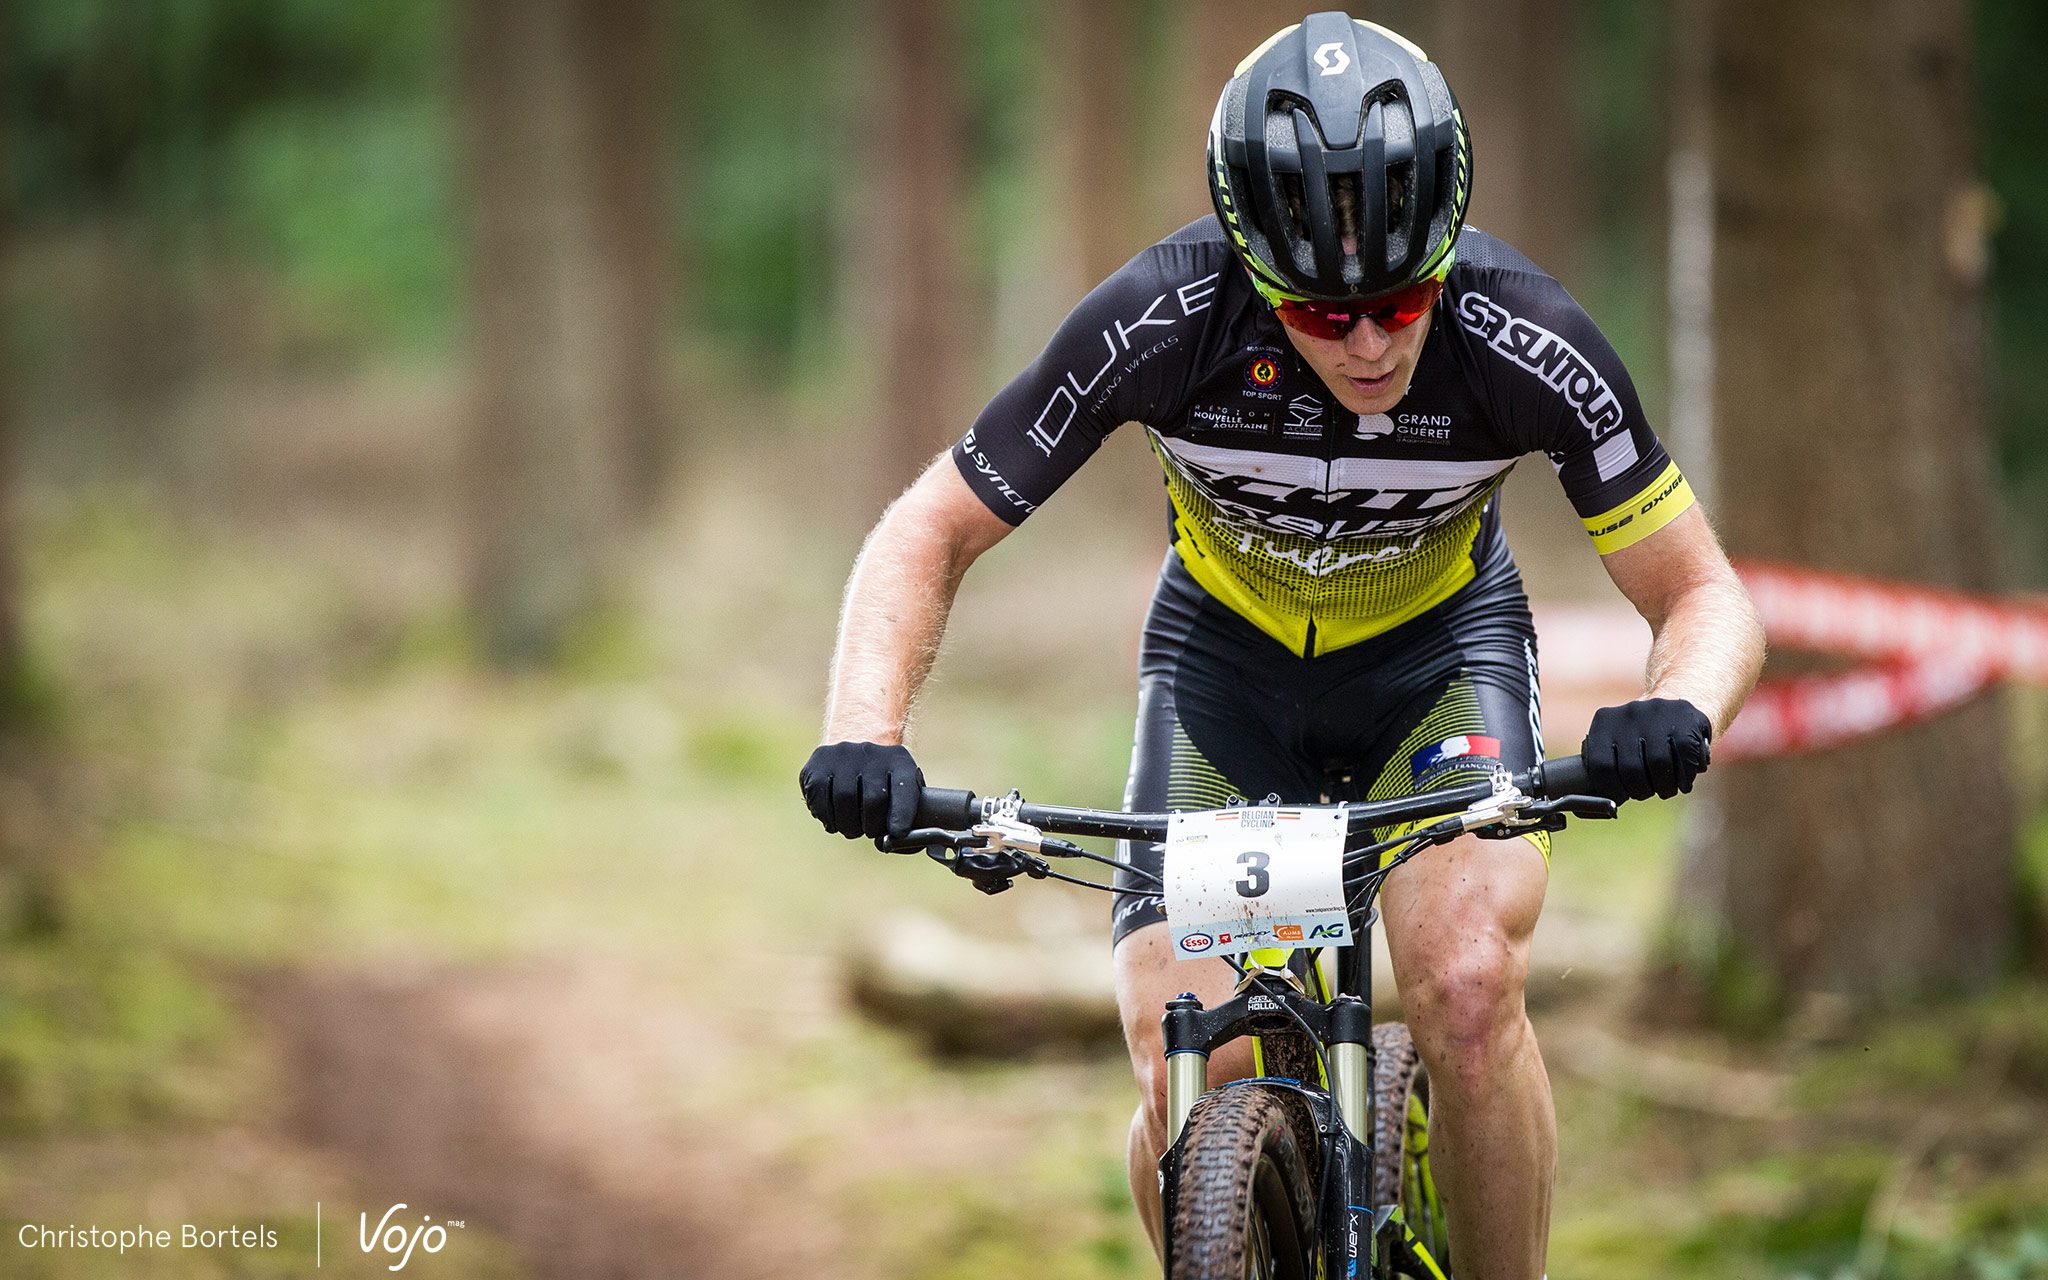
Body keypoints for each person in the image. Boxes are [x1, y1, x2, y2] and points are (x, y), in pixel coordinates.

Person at [799, 12, 1764, 1277]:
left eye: (1403, 299)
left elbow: (1705, 596)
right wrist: (863, 732)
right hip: (1223, 673)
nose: (1367, 342)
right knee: (1183, 1052)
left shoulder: (1527, 335)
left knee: (1464, 984)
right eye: (1318, 313)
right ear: (1253, 273)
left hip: (1437, 661)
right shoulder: (1161, 315)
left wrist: (1676, 705)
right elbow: (927, 530)